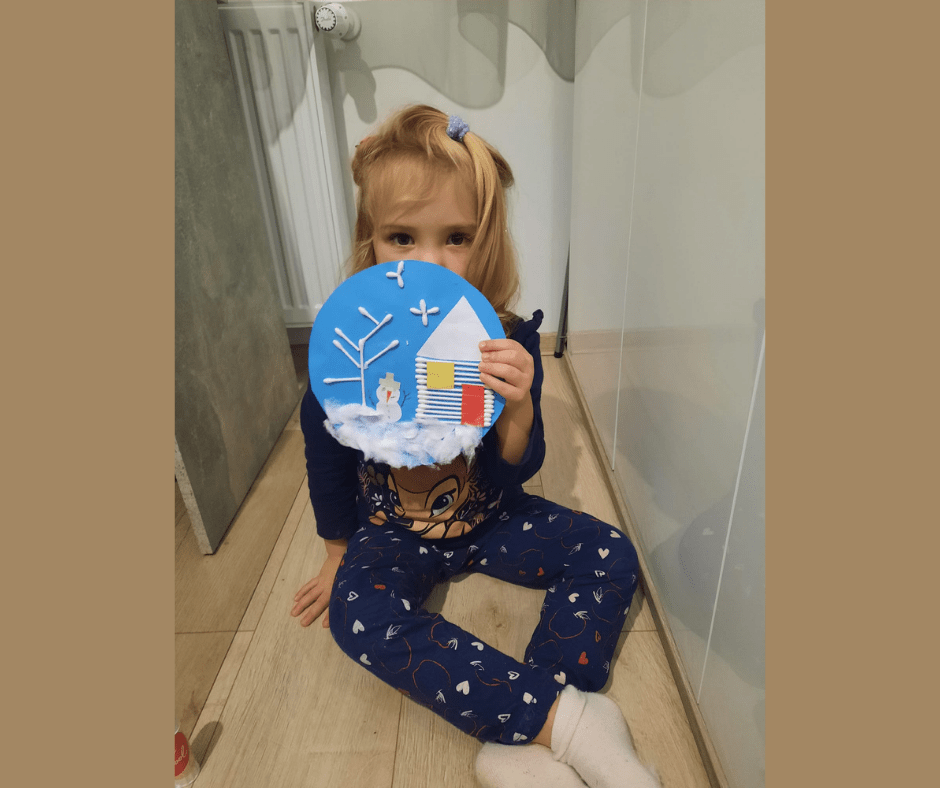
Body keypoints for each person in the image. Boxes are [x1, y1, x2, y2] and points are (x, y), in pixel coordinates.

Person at [290, 105, 659, 788]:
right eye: (402, 237)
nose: (429, 261)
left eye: (456, 237)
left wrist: (518, 405)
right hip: (394, 532)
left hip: (489, 515)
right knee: (357, 616)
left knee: (608, 551)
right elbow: (326, 454)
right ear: (370, 240)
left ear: (486, 242)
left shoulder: (504, 340)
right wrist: (337, 550)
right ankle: (566, 723)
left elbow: (519, 467)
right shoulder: (352, 350)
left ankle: (531, 731)